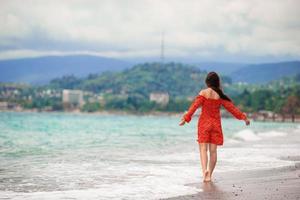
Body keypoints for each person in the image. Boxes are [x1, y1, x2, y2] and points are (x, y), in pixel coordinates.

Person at [179, 71, 250, 182]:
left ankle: (204, 173)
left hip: (204, 124)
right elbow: (232, 109)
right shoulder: (220, 95)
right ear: (217, 82)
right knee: (213, 151)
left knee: (203, 149)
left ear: (207, 82)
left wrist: (186, 118)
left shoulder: (203, 93)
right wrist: (243, 117)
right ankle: (210, 174)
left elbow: (194, 106)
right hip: (215, 124)